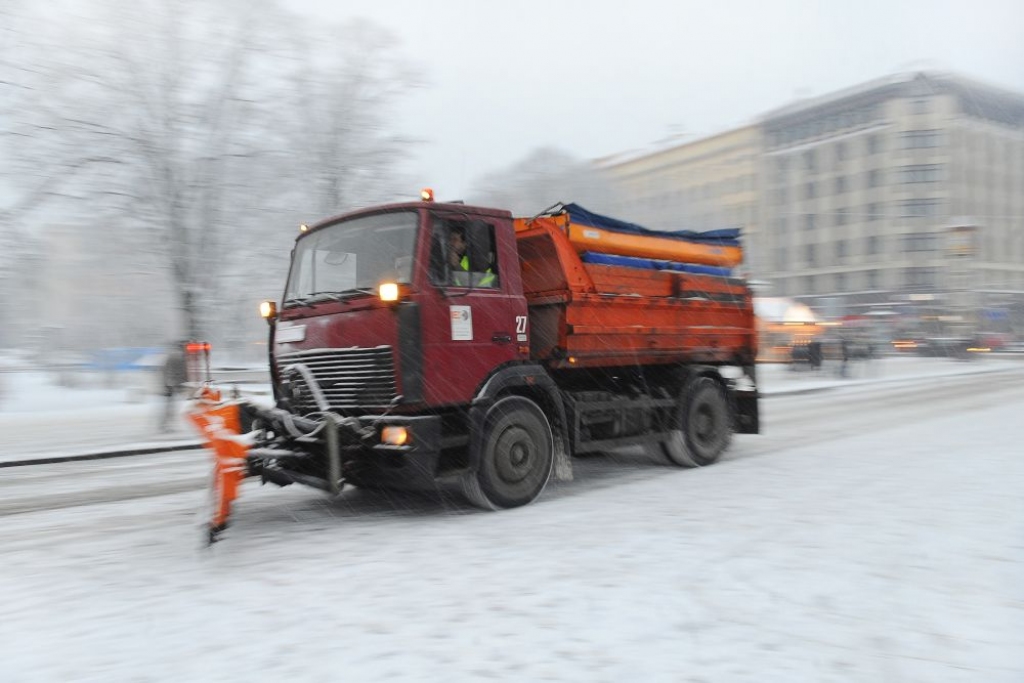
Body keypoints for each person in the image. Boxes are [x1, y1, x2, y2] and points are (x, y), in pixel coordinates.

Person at [159, 340, 188, 432]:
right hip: (173, 385)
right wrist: (174, 384)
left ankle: (166, 425)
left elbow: (166, 370)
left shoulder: (173, 355)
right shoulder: (178, 356)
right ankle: (166, 426)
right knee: (171, 407)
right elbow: (178, 372)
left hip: (170, 385)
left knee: (170, 407)